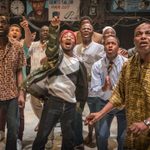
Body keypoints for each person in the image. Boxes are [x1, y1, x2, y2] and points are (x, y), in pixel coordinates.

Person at [85, 22, 150, 150]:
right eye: (138, 34)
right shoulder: (130, 65)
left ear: (118, 46)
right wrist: (100, 113)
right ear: (134, 40)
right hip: (134, 135)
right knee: (104, 135)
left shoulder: (123, 62)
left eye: (148, 33)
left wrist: (146, 123)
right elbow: (119, 94)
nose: (143, 37)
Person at [27, 16, 88, 150]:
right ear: (60, 41)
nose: (68, 38)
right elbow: (51, 47)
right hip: (53, 102)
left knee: (69, 138)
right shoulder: (55, 57)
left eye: (71, 37)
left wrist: (79, 107)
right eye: (65, 36)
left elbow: (82, 87)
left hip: (70, 106)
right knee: (42, 136)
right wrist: (54, 29)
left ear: (75, 42)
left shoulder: (79, 63)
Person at [91, 36, 127, 150]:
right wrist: (104, 87)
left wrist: (114, 88)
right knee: (101, 136)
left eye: (113, 43)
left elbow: (129, 87)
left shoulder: (127, 64)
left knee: (123, 138)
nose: (110, 45)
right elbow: (94, 89)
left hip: (124, 105)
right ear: (104, 47)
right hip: (105, 102)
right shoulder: (97, 65)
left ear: (118, 47)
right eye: (107, 43)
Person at [73, 21, 105, 148]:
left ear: (92, 32)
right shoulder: (75, 48)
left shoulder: (99, 48)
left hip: (93, 88)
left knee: (95, 115)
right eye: (84, 28)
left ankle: (96, 138)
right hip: (78, 89)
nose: (86, 30)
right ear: (80, 32)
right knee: (77, 115)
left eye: (89, 28)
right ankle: (78, 141)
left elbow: (103, 67)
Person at [0, 15, 26, 150]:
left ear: (7, 26)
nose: (0, 25)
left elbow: (19, 71)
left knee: (13, 129)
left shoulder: (17, 47)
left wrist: (21, 93)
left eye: (3, 22)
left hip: (11, 95)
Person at [29, 25, 55, 149]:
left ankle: (50, 138)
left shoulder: (53, 45)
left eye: (47, 31)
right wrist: (26, 29)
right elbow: (26, 43)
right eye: (43, 30)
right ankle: (44, 122)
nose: (45, 32)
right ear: (40, 33)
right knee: (35, 106)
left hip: (49, 82)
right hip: (35, 82)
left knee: (48, 110)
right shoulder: (33, 45)